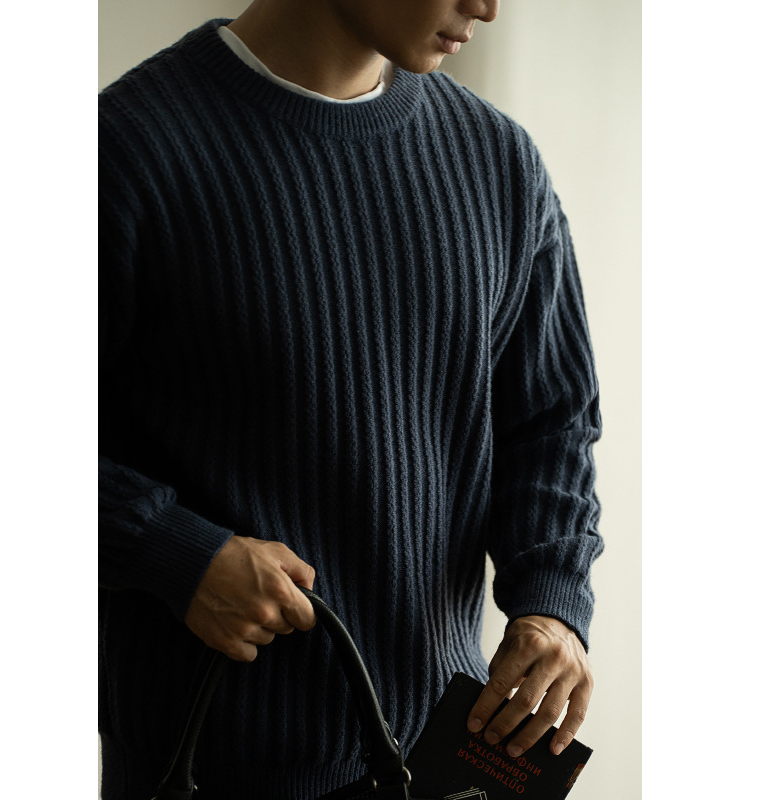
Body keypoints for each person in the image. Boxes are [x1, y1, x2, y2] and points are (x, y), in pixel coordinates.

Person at [98, 0, 604, 797]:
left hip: (441, 765)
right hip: (205, 769)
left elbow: (551, 423)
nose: (487, 7)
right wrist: (169, 550)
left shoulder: (499, 162)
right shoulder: (124, 153)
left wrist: (551, 603)